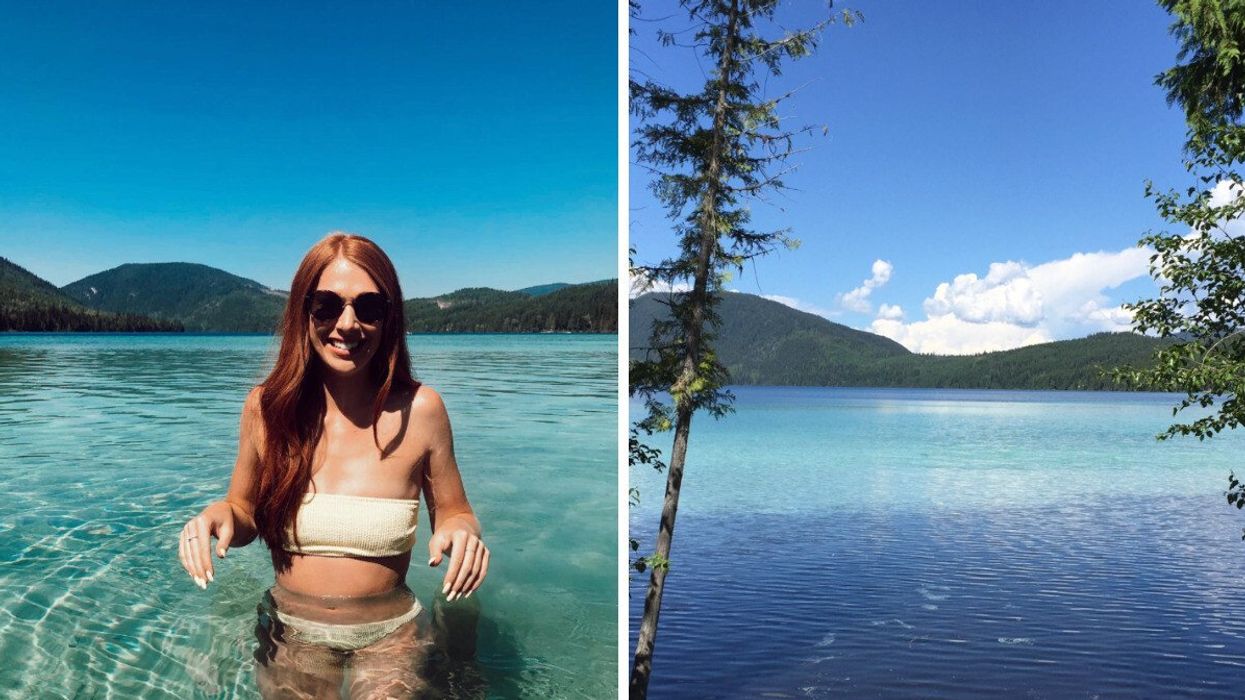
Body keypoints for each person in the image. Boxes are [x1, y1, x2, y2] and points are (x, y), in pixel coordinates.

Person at [176, 232, 489, 697]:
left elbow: (455, 512)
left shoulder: (422, 410)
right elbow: (242, 512)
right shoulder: (266, 409)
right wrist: (216, 517)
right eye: (326, 306)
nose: (347, 324)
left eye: (369, 307)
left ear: (389, 318)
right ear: (303, 313)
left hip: (391, 635)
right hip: (291, 631)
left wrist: (462, 533)